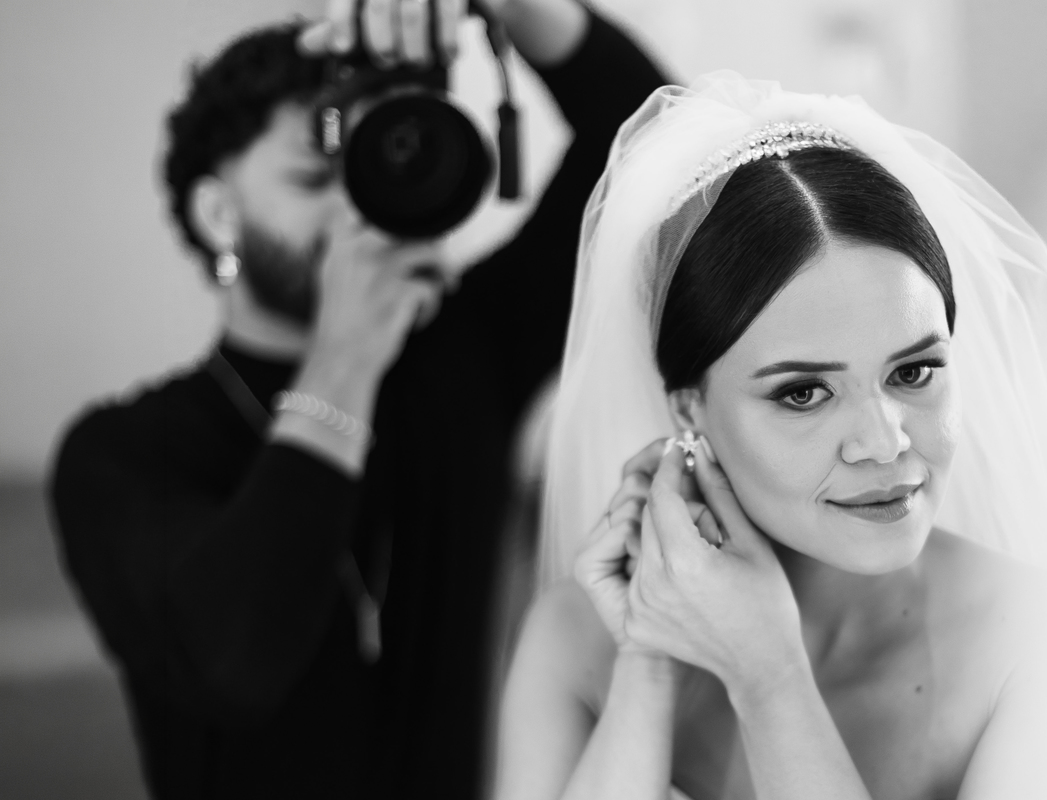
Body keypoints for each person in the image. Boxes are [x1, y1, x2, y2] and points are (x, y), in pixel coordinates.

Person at [49, 1, 666, 797]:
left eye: (379, 165)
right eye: (314, 177)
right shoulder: (121, 452)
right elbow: (234, 663)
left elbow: (652, 147)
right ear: (218, 214)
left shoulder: (466, 356)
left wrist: (515, 7)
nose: (357, 211)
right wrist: (346, 353)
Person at [493, 74, 1047, 800]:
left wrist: (770, 677)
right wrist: (648, 659)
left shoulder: (1043, 642)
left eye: (913, 373)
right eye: (803, 393)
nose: (884, 443)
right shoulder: (580, 636)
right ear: (690, 410)